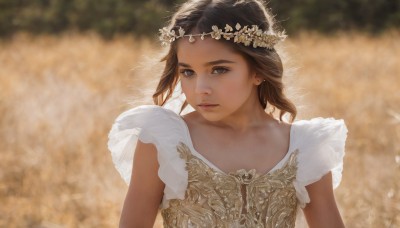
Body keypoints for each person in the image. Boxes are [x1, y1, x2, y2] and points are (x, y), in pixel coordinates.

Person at [108, 0, 348, 227]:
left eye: (219, 69)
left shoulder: (305, 146)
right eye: (188, 72)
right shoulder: (163, 140)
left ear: (258, 70)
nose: (201, 89)